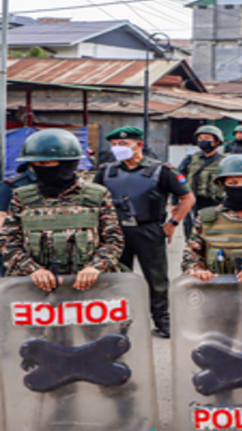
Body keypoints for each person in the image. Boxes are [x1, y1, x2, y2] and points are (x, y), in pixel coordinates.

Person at [95, 126, 195, 338]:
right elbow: (92, 200)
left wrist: (173, 224)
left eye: (123, 144)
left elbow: (187, 198)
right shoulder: (106, 171)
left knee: (156, 278)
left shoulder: (162, 170)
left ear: (139, 145)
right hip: (115, 232)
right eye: (113, 145)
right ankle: (118, 321)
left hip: (148, 229)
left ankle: (162, 320)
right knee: (116, 279)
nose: (117, 148)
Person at [2, 129, 124, 293]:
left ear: (68, 163)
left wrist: (95, 267)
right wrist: (33, 269)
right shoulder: (22, 197)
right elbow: (8, 241)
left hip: (91, 290)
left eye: (46, 164)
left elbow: (114, 239)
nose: (40, 169)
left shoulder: (97, 195)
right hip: (33, 290)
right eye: (35, 165)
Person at [177, 125, 226, 239]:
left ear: (217, 141)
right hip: (193, 204)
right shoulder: (190, 159)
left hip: (216, 204)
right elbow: (178, 180)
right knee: (192, 236)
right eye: (200, 138)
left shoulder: (224, 161)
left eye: (207, 137)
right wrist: (175, 202)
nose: (203, 141)